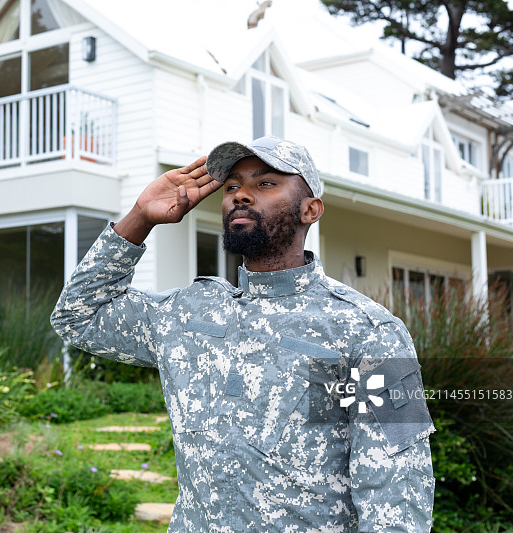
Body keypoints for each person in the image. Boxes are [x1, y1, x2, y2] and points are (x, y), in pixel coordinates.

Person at [51, 135, 435, 532]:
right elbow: (77, 317)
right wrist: (140, 217)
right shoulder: (187, 314)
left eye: (265, 183)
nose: (241, 195)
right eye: (232, 186)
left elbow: (396, 493)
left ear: (310, 209)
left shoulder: (366, 331)